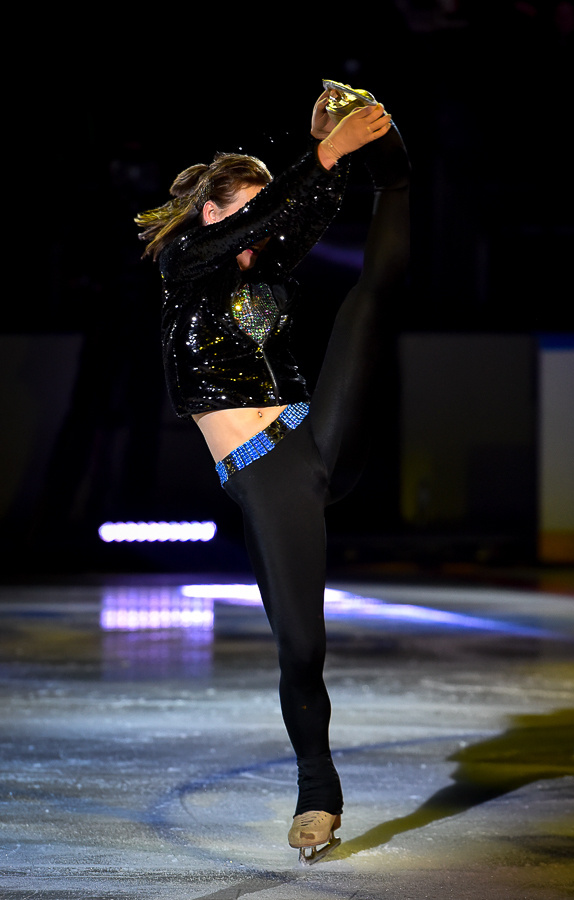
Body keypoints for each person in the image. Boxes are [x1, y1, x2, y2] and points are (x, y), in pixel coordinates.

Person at [135, 84, 410, 862]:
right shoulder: (187, 263)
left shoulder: (267, 264)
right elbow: (269, 215)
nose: (266, 233)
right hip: (267, 474)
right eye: (248, 215)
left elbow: (294, 216)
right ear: (215, 214)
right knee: (300, 646)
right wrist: (320, 154)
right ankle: (318, 792)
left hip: (316, 437)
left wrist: (347, 156)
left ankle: (400, 175)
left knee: (366, 299)